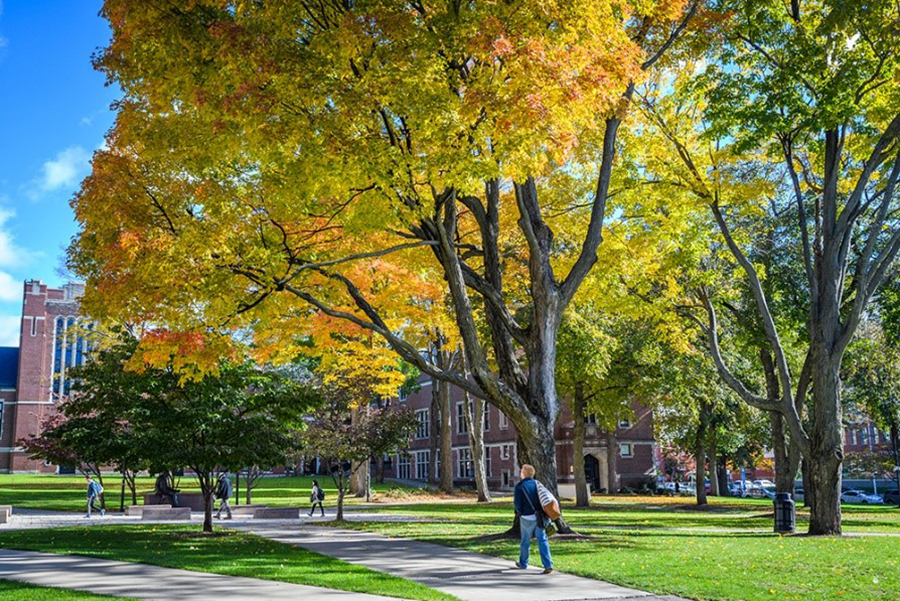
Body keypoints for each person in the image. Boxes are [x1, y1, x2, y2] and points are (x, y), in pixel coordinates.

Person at [513, 464, 553, 574]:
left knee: (525, 541)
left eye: (521, 471)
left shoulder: (520, 486)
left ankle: (523, 563)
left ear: (524, 473)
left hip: (526, 517)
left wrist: (519, 512)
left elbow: (517, 504)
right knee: (542, 540)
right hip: (540, 517)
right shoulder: (538, 484)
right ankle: (548, 564)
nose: (520, 472)